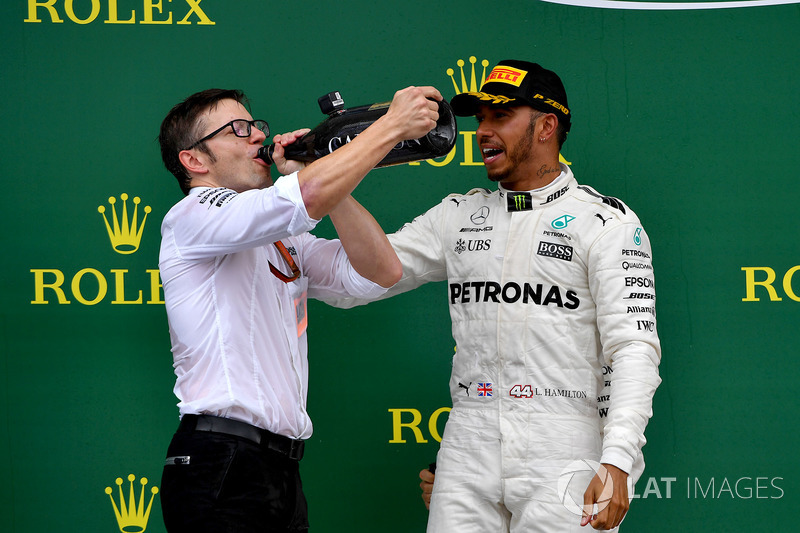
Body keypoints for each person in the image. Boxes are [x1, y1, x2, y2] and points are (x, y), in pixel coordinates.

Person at [328, 60, 661, 532]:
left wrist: (620, 460)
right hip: (468, 440)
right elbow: (366, 274)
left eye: (500, 117)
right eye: (479, 118)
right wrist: (328, 183)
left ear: (547, 125)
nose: (482, 131)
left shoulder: (606, 223)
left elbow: (634, 350)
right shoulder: (458, 215)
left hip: (565, 444)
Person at [157, 85, 442, 533]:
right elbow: (302, 198)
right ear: (195, 160)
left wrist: (323, 176)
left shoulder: (282, 237)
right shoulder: (192, 215)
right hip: (221, 461)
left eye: (257, 127)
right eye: (238, 129)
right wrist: (389, 127)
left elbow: (379, 272)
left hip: (279, 470)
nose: (257, 138)